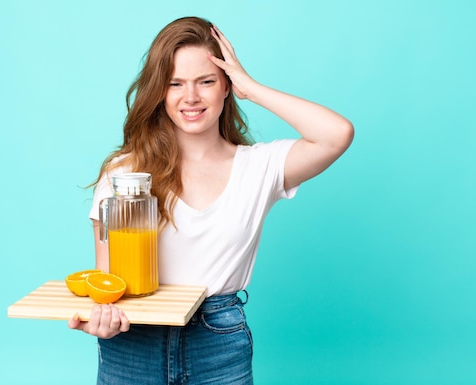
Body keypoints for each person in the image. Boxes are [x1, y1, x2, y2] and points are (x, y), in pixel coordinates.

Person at [68, 16, 354, 384]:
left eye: (206, 81)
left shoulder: (259, 166)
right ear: (160, 92)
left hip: (217, 341)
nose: (191, 97)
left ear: (226, 87)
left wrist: (251, 87)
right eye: (175, 84)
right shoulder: (126, 176)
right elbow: (108, 284)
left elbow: (336, 134)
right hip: (133, 343)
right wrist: (102, 321)